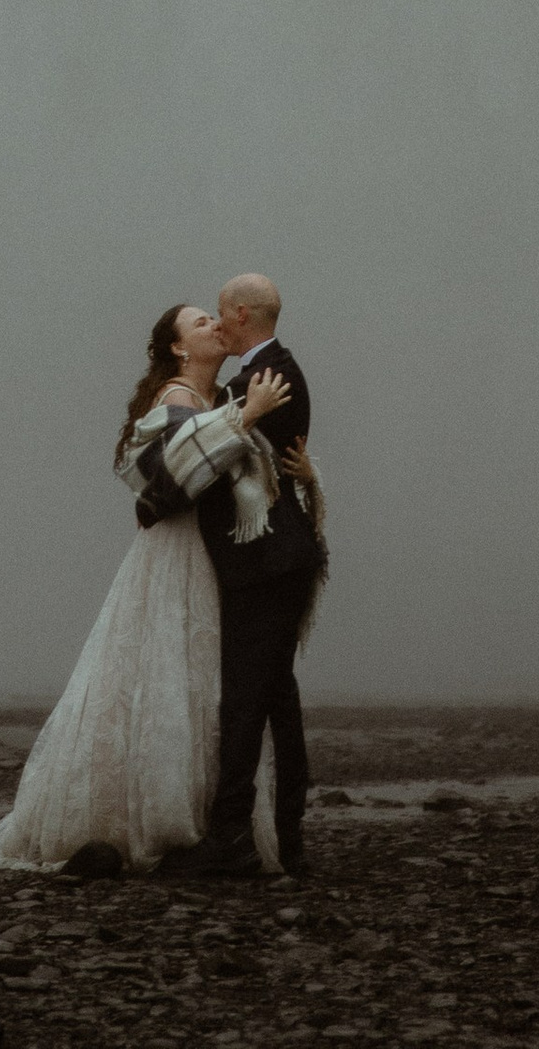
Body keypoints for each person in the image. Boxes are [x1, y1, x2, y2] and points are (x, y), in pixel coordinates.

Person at [0, 295, 315, 875]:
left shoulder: (221, 398)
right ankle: (169, 820)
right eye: (201, 322)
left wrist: (295, 463)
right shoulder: (178, 397)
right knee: (167, 672)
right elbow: (172, 479)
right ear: (178, 347)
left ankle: (218, 822)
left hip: (212, 554)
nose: (214, 325)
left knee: (206, 683)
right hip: (178, 553)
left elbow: (251, 464)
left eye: (215, 317)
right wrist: (243, 419)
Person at [165, 272, 325, 877]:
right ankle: (286, 839)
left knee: (245, 701)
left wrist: (158, 494)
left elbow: (208, 462)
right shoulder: (273, 372)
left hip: (265, 565)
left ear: (239, 315)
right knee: (276, 698)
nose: (215, 323)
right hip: (280, 562)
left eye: (219, 312)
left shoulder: (263, 380)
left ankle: (232, 834)